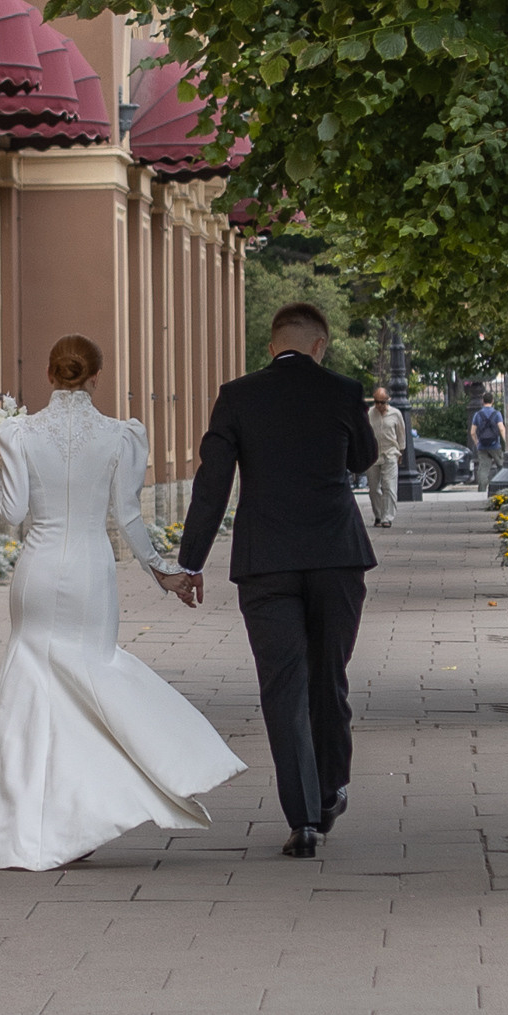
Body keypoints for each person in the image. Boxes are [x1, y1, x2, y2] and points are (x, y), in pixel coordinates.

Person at [0, 334, 245, 871]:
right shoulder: (120, 436)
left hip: (39, 570)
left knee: (32, 686)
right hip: (92, 572)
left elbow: (14, 510)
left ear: (49, 375)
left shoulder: (18, 433)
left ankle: (23, 821)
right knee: (91, 677)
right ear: (96, 377)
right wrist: (163, 572)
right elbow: (127, 517)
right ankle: (90, 809)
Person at [176, 301, 379, 858]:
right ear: (320, 345)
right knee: (329, 674)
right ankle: (333, 786)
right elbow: (363, 457)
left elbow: (212, 482)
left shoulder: (237, 395)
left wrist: (190, 562)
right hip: (337, 555)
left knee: (283, 687)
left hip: (265, 560)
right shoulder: (342, 389)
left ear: (272, 346)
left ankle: (303, 820)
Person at [367, 385, 407, 528]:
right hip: (373, 454)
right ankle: (378, 515)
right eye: (376, 402)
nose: (379, 405)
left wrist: (401, 451)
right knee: (373, 488)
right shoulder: (369, 414)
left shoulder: (395, 414)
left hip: (390, 452)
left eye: (382, 402)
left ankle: (387, 517)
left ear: (388, 400)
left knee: (389, 486)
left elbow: (401, 433)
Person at [470, 394, 506, 490]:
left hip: (482, 446)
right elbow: (501, 429)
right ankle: (502, 487)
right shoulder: (497, 414)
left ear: (482, 401)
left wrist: (477, 442)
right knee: (502, 465)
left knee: (483, 468)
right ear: (492, 401)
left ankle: (482, 489)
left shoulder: (477, 415)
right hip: (495, 445)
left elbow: (472, 432)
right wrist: (506, 442)